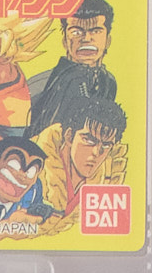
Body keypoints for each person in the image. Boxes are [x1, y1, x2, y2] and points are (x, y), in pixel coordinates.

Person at [27, 0, 119, 138]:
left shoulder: (108, 82)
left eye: (96, 31)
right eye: (76, 32)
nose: (86, 38)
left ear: (108, 40)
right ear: (65, 40)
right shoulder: (39, 87)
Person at [38, 97, 130, 229]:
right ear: (69, 136)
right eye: (89, 140)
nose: (96, 152)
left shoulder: (107, 181)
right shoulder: (31, 165)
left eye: (106, 145)